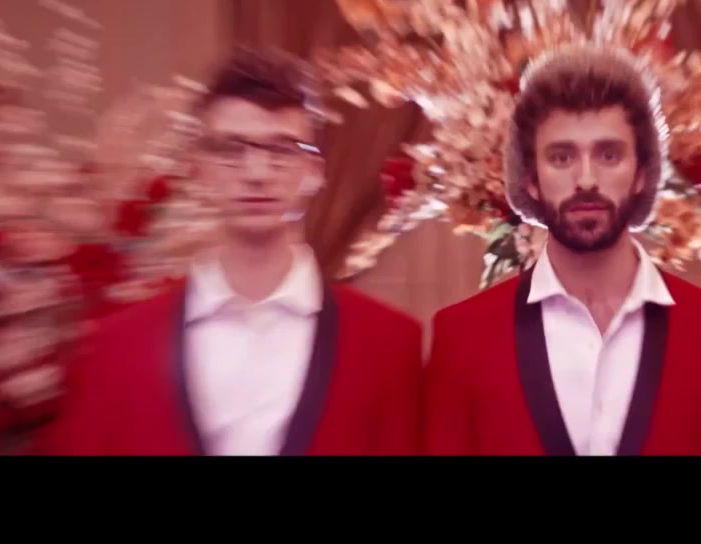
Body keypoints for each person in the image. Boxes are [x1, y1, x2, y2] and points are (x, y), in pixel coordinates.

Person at [45, 49, 422, 456]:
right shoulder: (118, 345)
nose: (256, 173)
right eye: (231, 149)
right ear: (198, 168)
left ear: (314, 171)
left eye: (282, 150)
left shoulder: (388, 343)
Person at [423, 47, 701, 456]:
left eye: (608, 155)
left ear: (641, 174)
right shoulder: (463, 340)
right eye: (562, 157)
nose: (586, 179)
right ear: (531, 179)